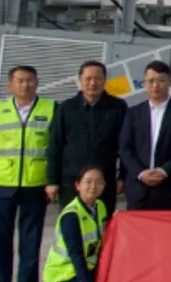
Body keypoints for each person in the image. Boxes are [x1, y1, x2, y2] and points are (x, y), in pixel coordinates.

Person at [117, 61, 171, 282]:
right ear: (144, 83)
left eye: (160, 80)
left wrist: (163, 170)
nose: (155, 85)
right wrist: (140, 173)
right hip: (139, 187)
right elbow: (125, 148)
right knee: (139, 244)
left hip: (168, 185)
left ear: (169, 83)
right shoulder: (133, 112)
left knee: (169, 242)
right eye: (150, 81)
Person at [0, 64, 55, 282]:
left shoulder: (51, 108)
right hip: (3, 184)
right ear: (9, 85)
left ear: (37, 83)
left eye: (30, 80)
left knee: (30, 243)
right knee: (1, 241)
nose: (25, 85)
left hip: (35, 184)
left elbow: (54, 149)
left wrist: (51, 181)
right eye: (20, 81)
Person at [42, 166, 124, 282]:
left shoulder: (100, 206)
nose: (93, 186)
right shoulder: (71, 215)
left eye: (99, 182)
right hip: (63, 274)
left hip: (87, 267)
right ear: (78, 185)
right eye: (88, 182)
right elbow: (76, 255)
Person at [45, 60, 124, 214]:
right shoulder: (66, 108)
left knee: (103, 226)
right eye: (88, 79)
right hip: (71, 181)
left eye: (98, 78)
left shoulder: (118, 108)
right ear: (80, 80)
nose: (92, 83)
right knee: (72, 226)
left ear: (105, 80)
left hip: (104, 181)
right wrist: (52, 180)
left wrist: (122, 177)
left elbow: (125, 145)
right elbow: (55, 145)